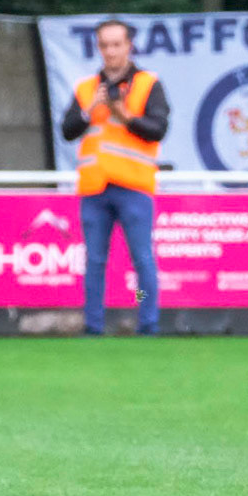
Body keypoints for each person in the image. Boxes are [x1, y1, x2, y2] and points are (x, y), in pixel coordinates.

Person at [59, 19, 170, 336]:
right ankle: (93, 325)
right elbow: (67, 130)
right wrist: (89, 109)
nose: (110, 51)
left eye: (116, 44)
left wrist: (125, 115)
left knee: (141, 260)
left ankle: (146, 322)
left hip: (134, 185)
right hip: (95, 187)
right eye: (104, 45)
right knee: (94, 261)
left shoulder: (148, 84)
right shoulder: (86, 88)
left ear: (129, 46)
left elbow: (158, 129)